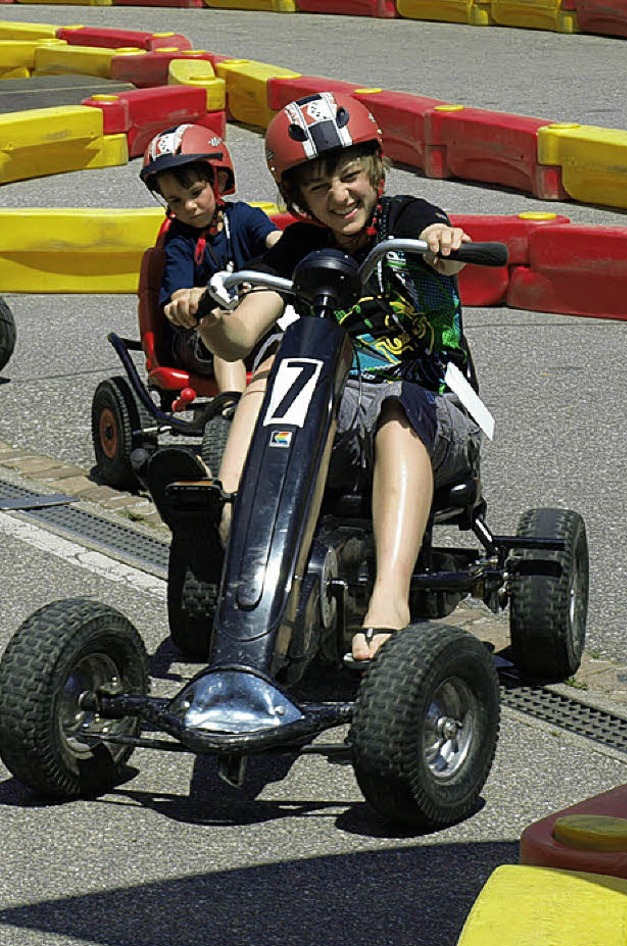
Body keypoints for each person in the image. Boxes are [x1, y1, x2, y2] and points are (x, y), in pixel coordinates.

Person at [195, 93, 484, 664]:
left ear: (374, 170)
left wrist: (445, 245)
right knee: (278, 370)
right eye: (318, 187)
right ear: (298, 197)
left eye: (349, 176)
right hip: (338, 412)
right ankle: (230, 512)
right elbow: (239, 337)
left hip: (433, 410)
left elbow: (447, 254)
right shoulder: (299, 248)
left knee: (397, 412)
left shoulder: (406, 217)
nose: (339, 196)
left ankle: (389, 601)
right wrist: (206, 317)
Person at [139, 123, 282, 394]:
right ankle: (231, 407)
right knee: (222, 338)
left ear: (220, 182)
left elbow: (277, 242)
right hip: (197, 341)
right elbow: (178, 293)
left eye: (195, 193)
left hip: (252, 329)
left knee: (292, 341)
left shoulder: (244, 217)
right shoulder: (179, 241)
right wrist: (190, 299)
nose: (189, 207)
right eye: (175, 201)